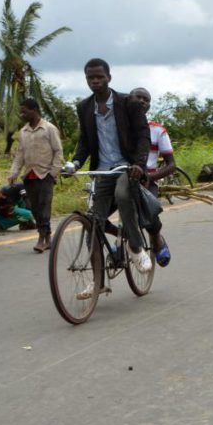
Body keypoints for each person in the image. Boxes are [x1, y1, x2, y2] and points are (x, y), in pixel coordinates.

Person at [64, 58, 152, 274]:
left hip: (126, 168)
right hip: (102, 170)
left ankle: (136, 247)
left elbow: (143, 135)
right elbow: (85, 141)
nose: (95, 81)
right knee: (94, 223)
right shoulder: (84, 107)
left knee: (122, 195)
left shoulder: (128, 103)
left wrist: (139, 164)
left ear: (109, 78)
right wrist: (75, 163)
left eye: (99, 77)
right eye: (90, 78)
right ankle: (98, 283)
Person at [7, 98, 63, 252]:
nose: (22, 114)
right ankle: (48, 237)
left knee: (44, 207)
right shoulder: (23, 132)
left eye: (24, 111)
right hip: (29, 176)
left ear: (34, 110)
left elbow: (58, 151)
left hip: (45, 175)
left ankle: (42, 239)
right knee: (35, 208)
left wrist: (53, 173)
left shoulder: (49, 128)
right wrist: (13, 172)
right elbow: (20, 154)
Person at [130, 87, 173, 267]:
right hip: (122, 177)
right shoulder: (119, 127)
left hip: (148, 181)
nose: (142, 101)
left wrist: (150, 177)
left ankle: (156, 238)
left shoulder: (157, 131)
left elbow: (171, 164)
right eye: (138, 97)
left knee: (150, 212)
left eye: (146, 99)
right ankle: (120, 239)